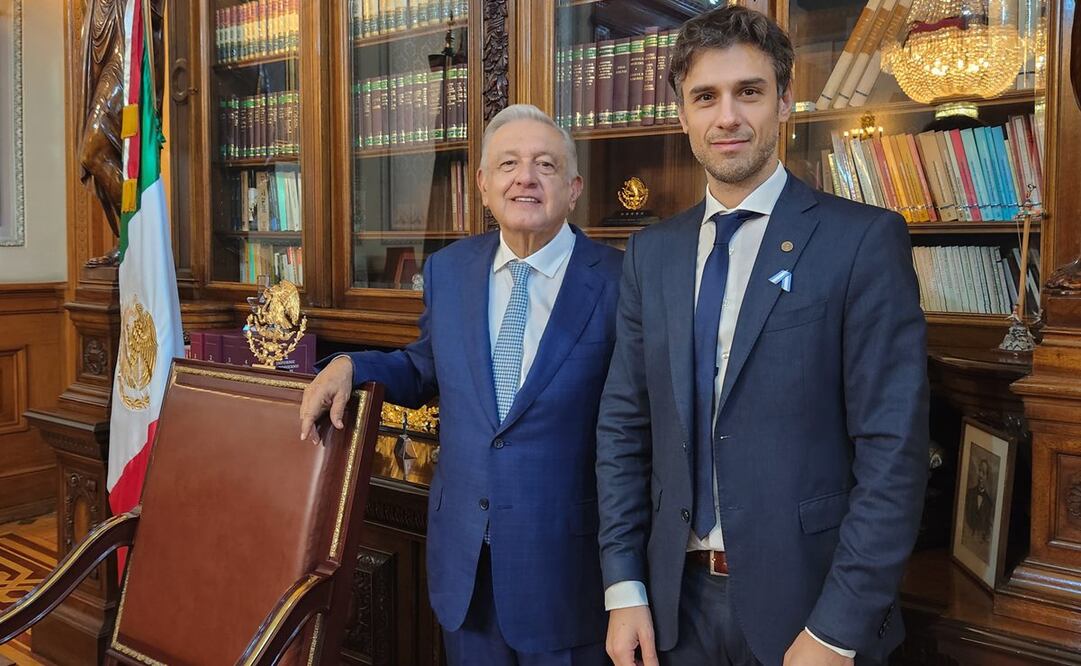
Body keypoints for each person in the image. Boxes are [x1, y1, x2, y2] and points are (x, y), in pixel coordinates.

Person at [595, 6, 929, 666]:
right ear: (681, 114)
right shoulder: (650, 254)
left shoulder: (861, 241)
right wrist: (624, 588)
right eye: (705, 97)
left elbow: (893, 452)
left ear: (783, 101)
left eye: (748, 91)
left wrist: (837, 630)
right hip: (672, 607)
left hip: (810, 611)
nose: (727, 117)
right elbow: (623, 429)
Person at [299, 103, 622, 666]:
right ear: (483, 185)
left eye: (545, 164)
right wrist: (351, 366)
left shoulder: (619, 280)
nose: (525, 178)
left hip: (567, 574)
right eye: (508, 164)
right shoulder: (450, 270)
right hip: (466, 566)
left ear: (573, 189)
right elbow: (426, 364)